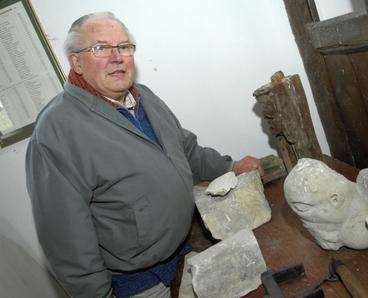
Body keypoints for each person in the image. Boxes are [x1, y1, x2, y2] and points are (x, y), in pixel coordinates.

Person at [25, 12, 262, 298]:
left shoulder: (144, 97)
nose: (118, 57)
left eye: (124, 47)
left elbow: (186, 150)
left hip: (185, 251)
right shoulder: (56, 130)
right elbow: (65, 239)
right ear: (76, 62)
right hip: (138, 284)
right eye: (101, 48)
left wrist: (231, 166)